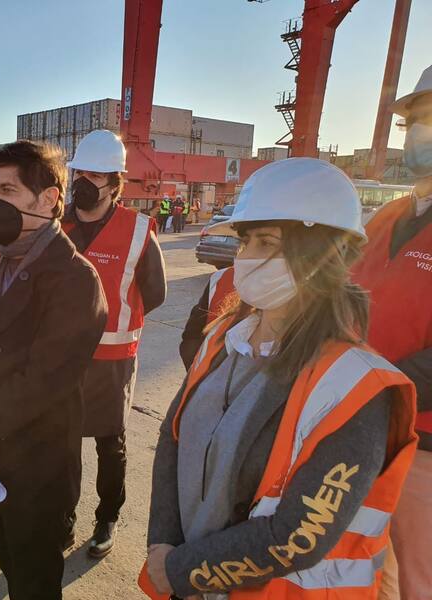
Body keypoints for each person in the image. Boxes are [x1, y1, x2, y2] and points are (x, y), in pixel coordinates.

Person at [140, 158, 418, 599]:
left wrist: (180, 569)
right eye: (247, 241)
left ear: (323, 255)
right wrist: (162, 545)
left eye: (267, 242)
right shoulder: (223, 340)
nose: (247, 257)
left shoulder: (356, 387)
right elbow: (172, 439)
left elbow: (298, 536)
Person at [0, 140, 108, 600]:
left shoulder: (75, 279)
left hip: (37, 466)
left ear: (49, 199)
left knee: (34, 582)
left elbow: (43, 380)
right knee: (12, 566)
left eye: (9, 190)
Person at [62, 129, 167, 558]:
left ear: (115, 182)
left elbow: (155, 292)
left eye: (97, 174)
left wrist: (117, 321)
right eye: (80, 172)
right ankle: (63, 517)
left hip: (111, 360)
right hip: (62, 359)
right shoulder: (58, 223)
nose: (85, 181)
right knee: (62, 442)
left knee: (110, 442)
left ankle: (107, 517)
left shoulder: (139, 229)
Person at [350, 64, 432, 599]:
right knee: (368, 571)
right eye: (414, 122)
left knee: (419, 576)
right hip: (364, 427)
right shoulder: (387, 216)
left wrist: (381, 392)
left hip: (423, 443)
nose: (418, 134)